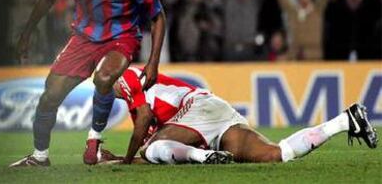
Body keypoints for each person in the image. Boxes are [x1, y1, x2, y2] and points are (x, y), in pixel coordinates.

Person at [9, 0, 166, 167]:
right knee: (49, 96)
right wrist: (26, 33)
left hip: (121, 37)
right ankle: (40, 157)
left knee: (104, 78)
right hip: (83, 39)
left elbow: (157, 16)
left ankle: (94, 140)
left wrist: (153, 62)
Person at [93, 66, 377, 165]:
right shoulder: (135, 97)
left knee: (153, 148)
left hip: (198, 108)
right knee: (277, 154)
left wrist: (126, 161)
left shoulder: (126, 75)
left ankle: (202, 157)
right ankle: (345, 121)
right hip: (215, 112)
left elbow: (145, 125)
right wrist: (121, 158)